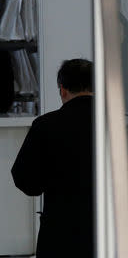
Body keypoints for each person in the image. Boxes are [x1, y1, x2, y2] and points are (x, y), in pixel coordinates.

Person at [11, 59, 94, 258]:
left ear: (62, 90)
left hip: (60, 231)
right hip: (109, 228)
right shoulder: (117, 123)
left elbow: (26, 181)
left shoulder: (45, 125)